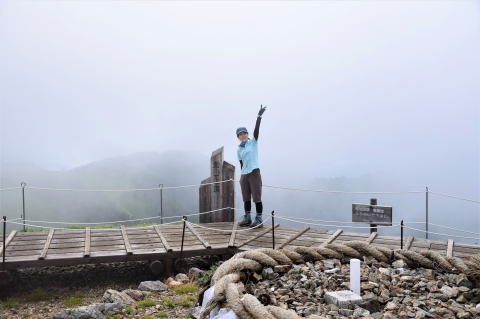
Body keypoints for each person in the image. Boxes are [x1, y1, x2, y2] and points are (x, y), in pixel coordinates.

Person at [236, 105, 267, 228]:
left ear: (247, 134)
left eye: (244, 133)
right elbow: (241, 163)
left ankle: (259, 219)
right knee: (246, 197)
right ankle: (247, 218)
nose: (242, 135)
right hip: (244, 174)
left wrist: (259, 116)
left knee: (257, 196)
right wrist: (243, 173)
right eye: (240, 134)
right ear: (238, 137)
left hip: (254, 172)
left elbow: (256, 130)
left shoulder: (253, 142)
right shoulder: (239, 149)